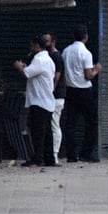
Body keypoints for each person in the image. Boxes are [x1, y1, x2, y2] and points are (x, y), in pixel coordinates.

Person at [13, 34, 56, 167]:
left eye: (32, 45)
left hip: (39, 101)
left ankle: (37, 157)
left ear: (37, 46)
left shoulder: (39, 60)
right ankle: (49, 158)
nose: (30, 48)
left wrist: (18, 66)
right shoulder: (48, 60)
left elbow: (26, 73)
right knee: (47, 132)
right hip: (47, 101)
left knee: (38, 132)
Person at [62, 25, 102, 163]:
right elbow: (88, 75)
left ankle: (71, 154)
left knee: (71, 123)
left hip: (70, 90)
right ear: (85, 37)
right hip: (84, 91)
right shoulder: (86, 53)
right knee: (91, 122)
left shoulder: (66, 51)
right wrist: (96, 70)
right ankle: (87, 153)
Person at [43, 32, 65, 165]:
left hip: (56, 96)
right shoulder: (51, 56)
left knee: (54, 124)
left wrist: (50, 90)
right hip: (54, 95)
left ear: (53, 41)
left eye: (47, 41)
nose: (45, 43)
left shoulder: (55, 57)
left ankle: (54, 154)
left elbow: (56, 76)